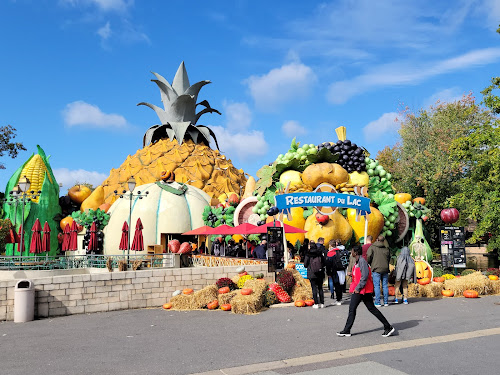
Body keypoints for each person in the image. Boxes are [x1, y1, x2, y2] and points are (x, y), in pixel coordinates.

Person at [337, 245, 395, 337]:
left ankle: (347, 330)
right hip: (362, 290)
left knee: (353, 309)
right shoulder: (358, 261)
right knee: (371, 309)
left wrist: (357, 288)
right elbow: (361, 275)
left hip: (361, 290)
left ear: (355, 252)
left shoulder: (362, 262)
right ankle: (387, 326)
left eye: (352, 251)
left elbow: (364, 276)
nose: (350, 252)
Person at [366, 235, 391, 307]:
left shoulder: (372, 247)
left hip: (376, 268)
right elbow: (389, 258)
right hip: (385, 268)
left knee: (376, 286)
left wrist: (370, 263)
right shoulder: (386, 249)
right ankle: (386, 302)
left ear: (377, 240)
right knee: (385, 285)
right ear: (383, 241)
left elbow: (368, 256)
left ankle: (378, 302)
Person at [304, 239, 325, 308]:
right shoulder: (319, 253)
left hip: (312, 273)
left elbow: (305, 265)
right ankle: (322, 303)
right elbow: (324, 262)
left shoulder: (308, 254)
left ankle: (316, 303)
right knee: (320, 288)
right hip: (320, 272)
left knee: (314, 288)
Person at [326, 239, 347, 305]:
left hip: (335, 271)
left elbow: (328, 264)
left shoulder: (330, 253)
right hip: (341, 270)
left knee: (336, 285)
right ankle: (340, 298)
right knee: (340, 285)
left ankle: (338, 300)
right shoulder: (340, 251)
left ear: (330, 245)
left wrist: (328, 273)